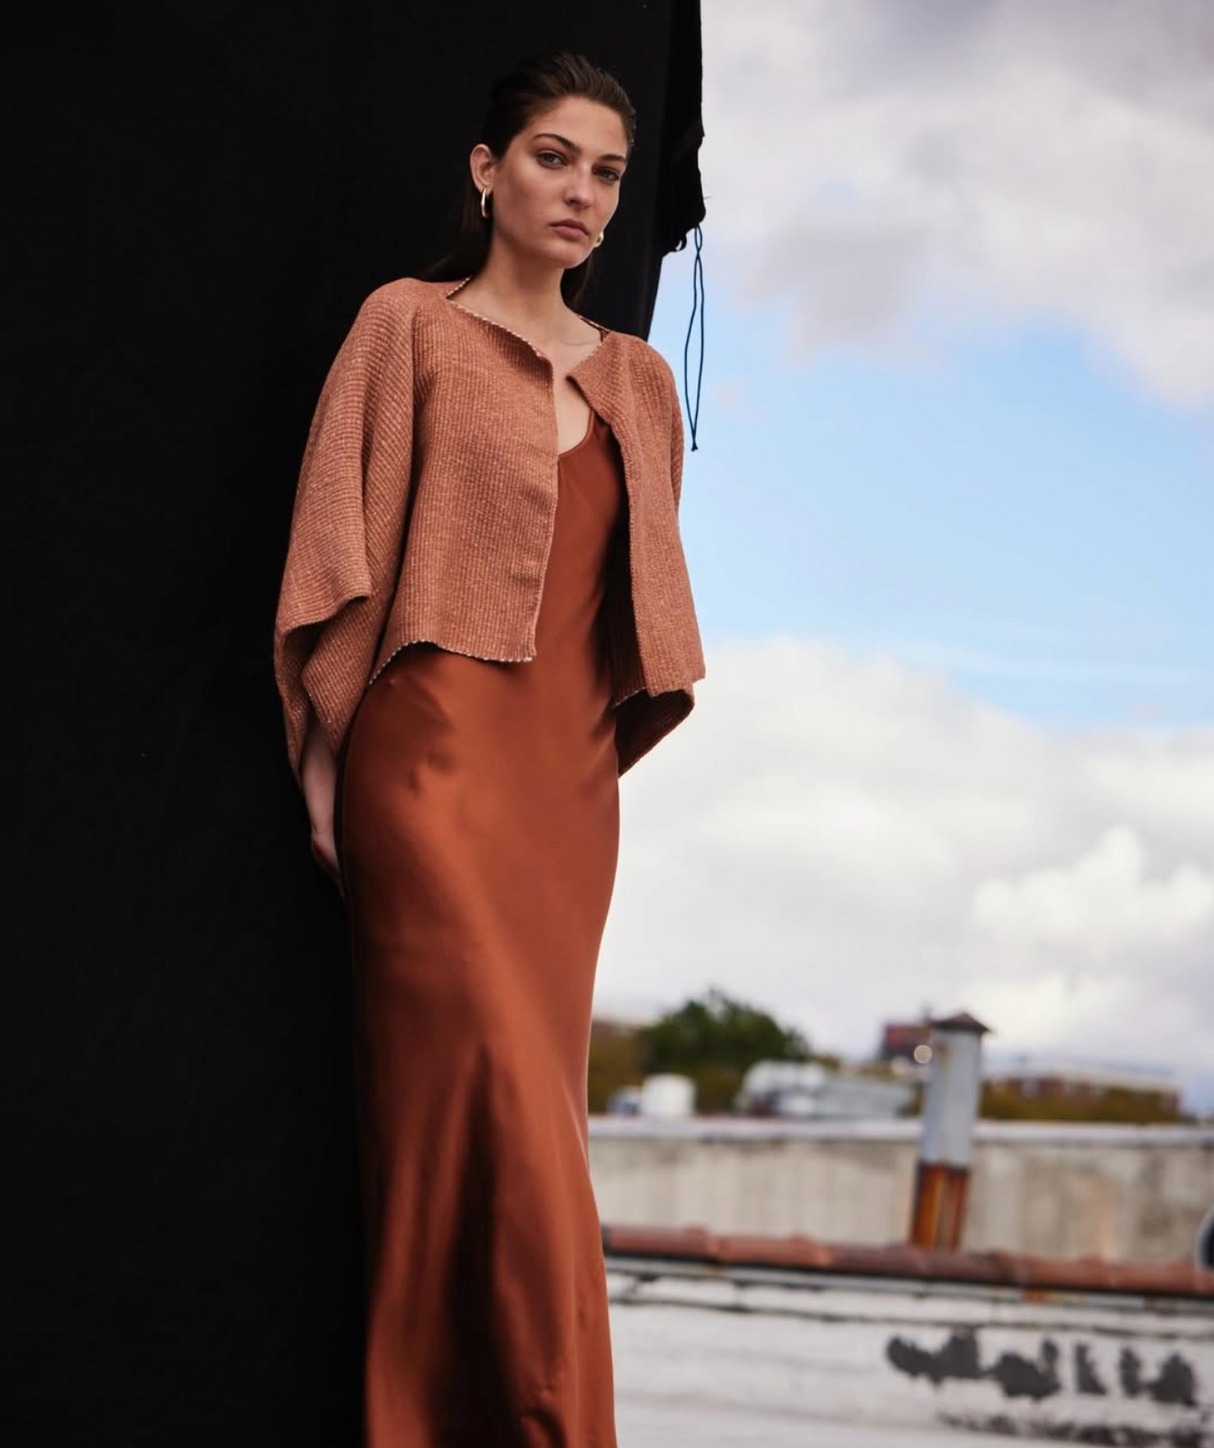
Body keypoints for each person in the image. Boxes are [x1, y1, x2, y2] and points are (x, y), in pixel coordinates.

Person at [272, 48, 705, 1447]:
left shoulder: (642, 382)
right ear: (486, 169)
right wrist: (325, 771)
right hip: (428, 769)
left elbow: (638, 606)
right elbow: (333, 544)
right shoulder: (405, 324)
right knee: (497, 1120)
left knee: (518, 1125)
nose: (583, 193)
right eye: (552, 158)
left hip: (567, 799)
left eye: (608, 174)